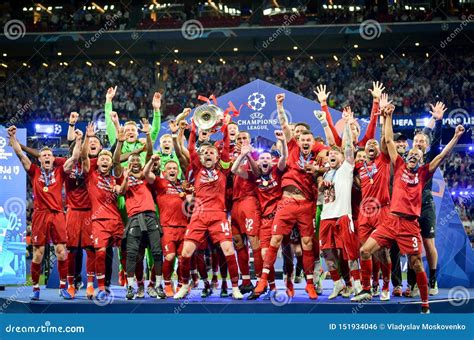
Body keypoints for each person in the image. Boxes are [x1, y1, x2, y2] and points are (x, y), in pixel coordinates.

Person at [354, 103, 464, 314]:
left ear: (422, 158)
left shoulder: (424, 173)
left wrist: (456, 137)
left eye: (417, 154)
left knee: (415, 263)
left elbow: (441, 156)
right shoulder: (400, 164)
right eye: (410, 153)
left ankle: (424, 302)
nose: (413, 155)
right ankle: (367, 289)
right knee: (365, 250)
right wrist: (388, 116)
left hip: (409, 224)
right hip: (390, 221)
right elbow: (387, 140)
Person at [253, 93, 328, 299]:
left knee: (306, 246)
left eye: (307, 138)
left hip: (306, 206)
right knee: (276, 241)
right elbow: (285, 125)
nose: (304, 140)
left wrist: (321, 169)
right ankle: (263, 282)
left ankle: (310, 284)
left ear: (313, 142)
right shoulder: (292, 145)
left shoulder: (317, 152)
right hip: (286, 203)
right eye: (301, 137)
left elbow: (333, 156)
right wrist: (279, 105)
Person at [173, 119, 243, 300]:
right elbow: (190, 147)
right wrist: (194, 127)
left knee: (228, 250)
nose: (209, 154)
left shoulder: (223, 169)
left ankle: (235, 287)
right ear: (201, 157)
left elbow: (226, 146)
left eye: (212, 152)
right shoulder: (196, 169)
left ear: (217, 157)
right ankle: (184, 284)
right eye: (205, 153)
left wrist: (226, 127)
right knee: (186, 253)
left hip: (219, 216)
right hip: (198, 216)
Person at [8, 126, 72, 300]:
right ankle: (36, 288)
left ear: (53, 158)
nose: (46, 157)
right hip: (40, 214)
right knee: (38, 253)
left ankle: (63, 286)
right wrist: (13, 138)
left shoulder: (60, 171)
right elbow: (21, 155)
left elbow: (73, 158)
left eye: (49, 155)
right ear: (39, 159)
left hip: (58, 213)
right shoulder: (34, 171)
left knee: (61, 251)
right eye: (43, 155)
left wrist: (80, 139)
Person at [114, 120, 167, 300]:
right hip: (134, 218)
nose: (135, 162)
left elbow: (150, 154)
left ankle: (159, 285)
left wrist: (147, 135)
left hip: (151, 216)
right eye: (132, 160)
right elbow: (120, 191)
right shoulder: (123, 176)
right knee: (132, 254)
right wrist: (126, 177)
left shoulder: (145, 176)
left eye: (138, 160)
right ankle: (131, 287)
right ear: (127, 163)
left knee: (157, 252)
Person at [232, 130, 288, 299]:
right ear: (257, 162)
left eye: (267, 158)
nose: (265, 160)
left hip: (280, 217)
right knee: (264, 254)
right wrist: (244, 155)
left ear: (272, 161)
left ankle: (295, 282)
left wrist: (283, 141)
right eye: (262, 158)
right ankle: (270, 286)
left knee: (295, 251)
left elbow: (284, 158)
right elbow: (234, 169)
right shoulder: (253, 176)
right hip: (264, 219)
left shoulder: (277, 172)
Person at [319, 115, 362, 300]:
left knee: (350, 254)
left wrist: (346, 125)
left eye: (336, 153)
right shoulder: (327, 173)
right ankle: (337, 284)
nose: (332, 155)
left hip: (343, 216)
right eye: (330, 154)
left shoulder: (346, 169)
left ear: (343, 157)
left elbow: (349, 148)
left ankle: (358, 287)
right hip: (326, 217)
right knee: (326, 252)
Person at [81, 122, 124, 301]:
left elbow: (117, 162)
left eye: (107, 158)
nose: (105, 160)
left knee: (130, 250)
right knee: (99, 252)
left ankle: (132, 283)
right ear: (96, 162)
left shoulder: (114, 178)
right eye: (102, 158)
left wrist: (120, 143)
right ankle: (100, 288)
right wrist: (88, 138)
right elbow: (84, 157)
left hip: (116, 220)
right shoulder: (91, 175)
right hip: (98, 221)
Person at [144, 156, 190, 298]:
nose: (172, 170)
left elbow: (193, 205)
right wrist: (151, 161)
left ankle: (182, 285)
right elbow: (146, 174)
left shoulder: (184, 185)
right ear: (164, 171)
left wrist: (187, 196)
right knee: (169, 257)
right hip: (167, 227)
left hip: (184, 227)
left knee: (183, 258)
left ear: (178, 172)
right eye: (169, 168)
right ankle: (167, 284)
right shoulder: (160, 183)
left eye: (174, 169)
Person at [63, 128, 96, 299]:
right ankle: (70, 286)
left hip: (89, 212)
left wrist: (86, 138)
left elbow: (83, 157)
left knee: (91, 249)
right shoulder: (66, 167)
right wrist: (79, 141)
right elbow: (76, 156)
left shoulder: (88, 165)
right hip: (73, 212)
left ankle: (90, 285)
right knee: (72, 251)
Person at [230, 130, 263, 295]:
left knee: (254, 241)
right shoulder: (232, 156)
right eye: (239, 138)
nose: (242, 140)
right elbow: (230, 173)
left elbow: (258, 173)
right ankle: (246, 281)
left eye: (245, 138)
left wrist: (248, 155)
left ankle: (260, 282)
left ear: (250, 141)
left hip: (249, 201)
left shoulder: (257, 155)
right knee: (238, 242)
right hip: (234, 203)